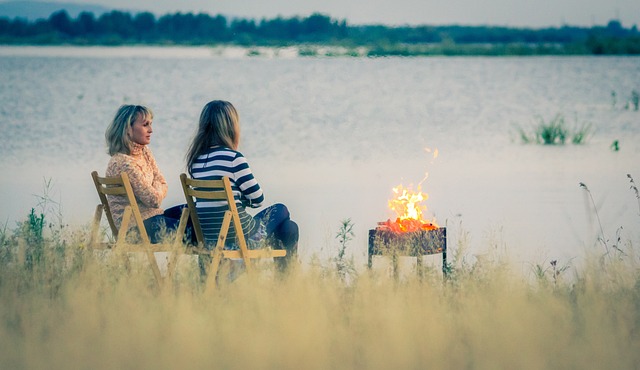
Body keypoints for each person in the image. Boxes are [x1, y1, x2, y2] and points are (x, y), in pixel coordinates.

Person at [185, 100, 299, 270]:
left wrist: (234, 197)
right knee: (281, 210)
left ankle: (279, 283)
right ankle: (282, 281)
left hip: (210, 236)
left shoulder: (196, 161)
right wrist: (241, 199)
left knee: (289, 227)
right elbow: (258, 199)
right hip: (239, 235)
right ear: (231, 127)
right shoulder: (234, 158)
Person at [104, 104, 180, 243]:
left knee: (196, 211)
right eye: (145, 125)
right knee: (195, 230)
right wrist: (158, 187)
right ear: (128, 129)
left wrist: (156, 186)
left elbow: (162, 181)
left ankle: (215, 263)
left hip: (152, 218)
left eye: (150, 124)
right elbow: (154, 200)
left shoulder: (144, 151)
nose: (151, 130)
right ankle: (217, 262)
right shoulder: (123, 164)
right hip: (136, 229)